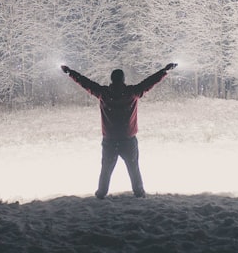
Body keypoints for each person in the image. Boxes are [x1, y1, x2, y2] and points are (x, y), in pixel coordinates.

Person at [62, 63, 176, 199]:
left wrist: (70, 72)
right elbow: (149, 82)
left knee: (106, 170)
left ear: (111, 79)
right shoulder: (132, 92)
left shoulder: (103, 93)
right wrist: (165, 71)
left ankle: (101, 194)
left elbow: (85, 83)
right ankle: (139, 193)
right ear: (123, 80)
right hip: (128, 139)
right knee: (133, 169)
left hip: (110, 140)